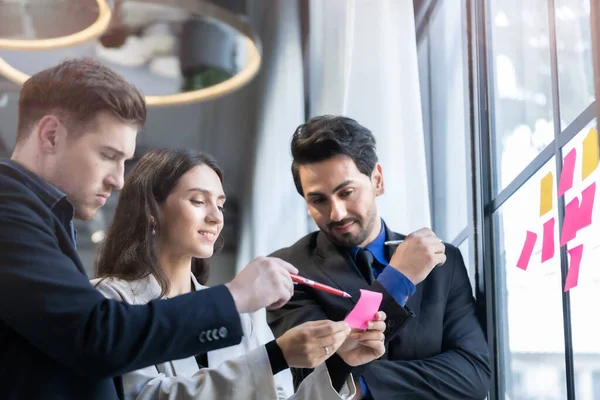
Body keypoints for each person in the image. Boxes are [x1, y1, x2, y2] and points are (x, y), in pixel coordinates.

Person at [0, 58, 300, 400]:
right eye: (107, 154)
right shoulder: (8, 208)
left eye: (124, 160)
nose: (118, 179)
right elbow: (97, 338)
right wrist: (237, 296)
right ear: (51, 135)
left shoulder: (42, 217)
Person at [91, 148, 388, 399]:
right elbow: (145, 395)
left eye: (220, 204)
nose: (215, 216)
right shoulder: (108, 299)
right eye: (198, 200)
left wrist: (338, 364)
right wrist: (275, 356)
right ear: (150, 210)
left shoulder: (234, 316)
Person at [267, 115, 491, 399]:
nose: (336, 213)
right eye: (318, 200)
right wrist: (398, 280)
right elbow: (318, 381)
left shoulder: (443, 262)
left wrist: (359, 384)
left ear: (377, 180)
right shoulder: (289, 273)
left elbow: (473, 376)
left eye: (346, 192)